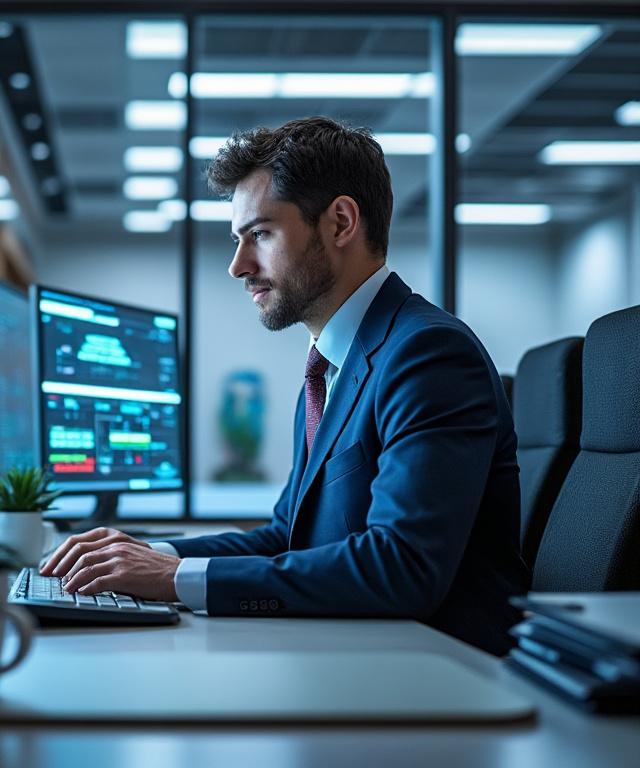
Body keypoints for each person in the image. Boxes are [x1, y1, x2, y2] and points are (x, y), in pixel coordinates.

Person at [40, 116, 529, 655]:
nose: (237, 266)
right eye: (238, 239)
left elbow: (402, 567)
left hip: (440, 674)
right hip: (363, 654)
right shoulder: (330, 367)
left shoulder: (427, 354)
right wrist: (148, 555)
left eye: (260, 234)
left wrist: (172, 579)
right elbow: (284, 536)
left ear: (340, 222)